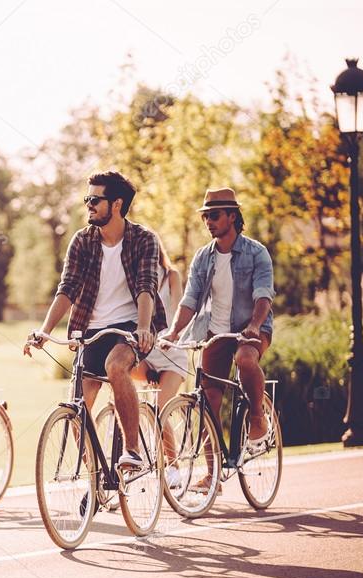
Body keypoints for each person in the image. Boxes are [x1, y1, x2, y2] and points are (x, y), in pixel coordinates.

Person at [24, 170, 167, 472]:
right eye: (86, 199)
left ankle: (132, 451)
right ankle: (97, 476)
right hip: (90, 329)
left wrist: (143, 327)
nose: (88, 205)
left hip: (131, 325)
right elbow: (67, 289)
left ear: (116, 204)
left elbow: (146, 287)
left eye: (95, 199)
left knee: (116, 366)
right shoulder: (82, 241)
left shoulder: (144, 239)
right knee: (78, 408)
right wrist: (45, 331)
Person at [162, 187, 275, 488]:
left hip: (251, 328)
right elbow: (189, 300)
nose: (208, 222)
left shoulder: (256, 253)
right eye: (205, 216)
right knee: (208, 403)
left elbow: (264, 295)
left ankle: (256, 417)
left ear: (232, 216)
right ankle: (213, 475)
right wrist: (173, 332)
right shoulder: (203, 257)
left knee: (245, 358)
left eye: (213, 215)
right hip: (216, 333)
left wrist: (254, 326)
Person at [132, 240, 190, 489]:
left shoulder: (171, 276)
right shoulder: (133, 275)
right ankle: (131, 456)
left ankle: (172, 464)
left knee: (160, 407)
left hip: (170, 353)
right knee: (121, 391)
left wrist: (173, 336)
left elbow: (178, 310)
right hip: (145, 352)